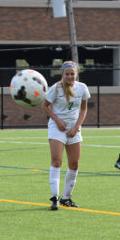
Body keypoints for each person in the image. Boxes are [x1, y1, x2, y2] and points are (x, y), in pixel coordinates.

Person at [42, 61, 90, 210]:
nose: (70, 76)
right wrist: (57, 121)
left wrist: (77, 126)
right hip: (57, 128)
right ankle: (55, 198)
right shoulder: (55, 88)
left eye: (72, 74)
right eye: (67, 74)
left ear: (76, 74)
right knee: (57, 161)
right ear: (62, 75)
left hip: (73, 129)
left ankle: (66, 198)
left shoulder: (82, 88)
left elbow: (83, 109)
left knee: (74, 163)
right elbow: (45, 105)